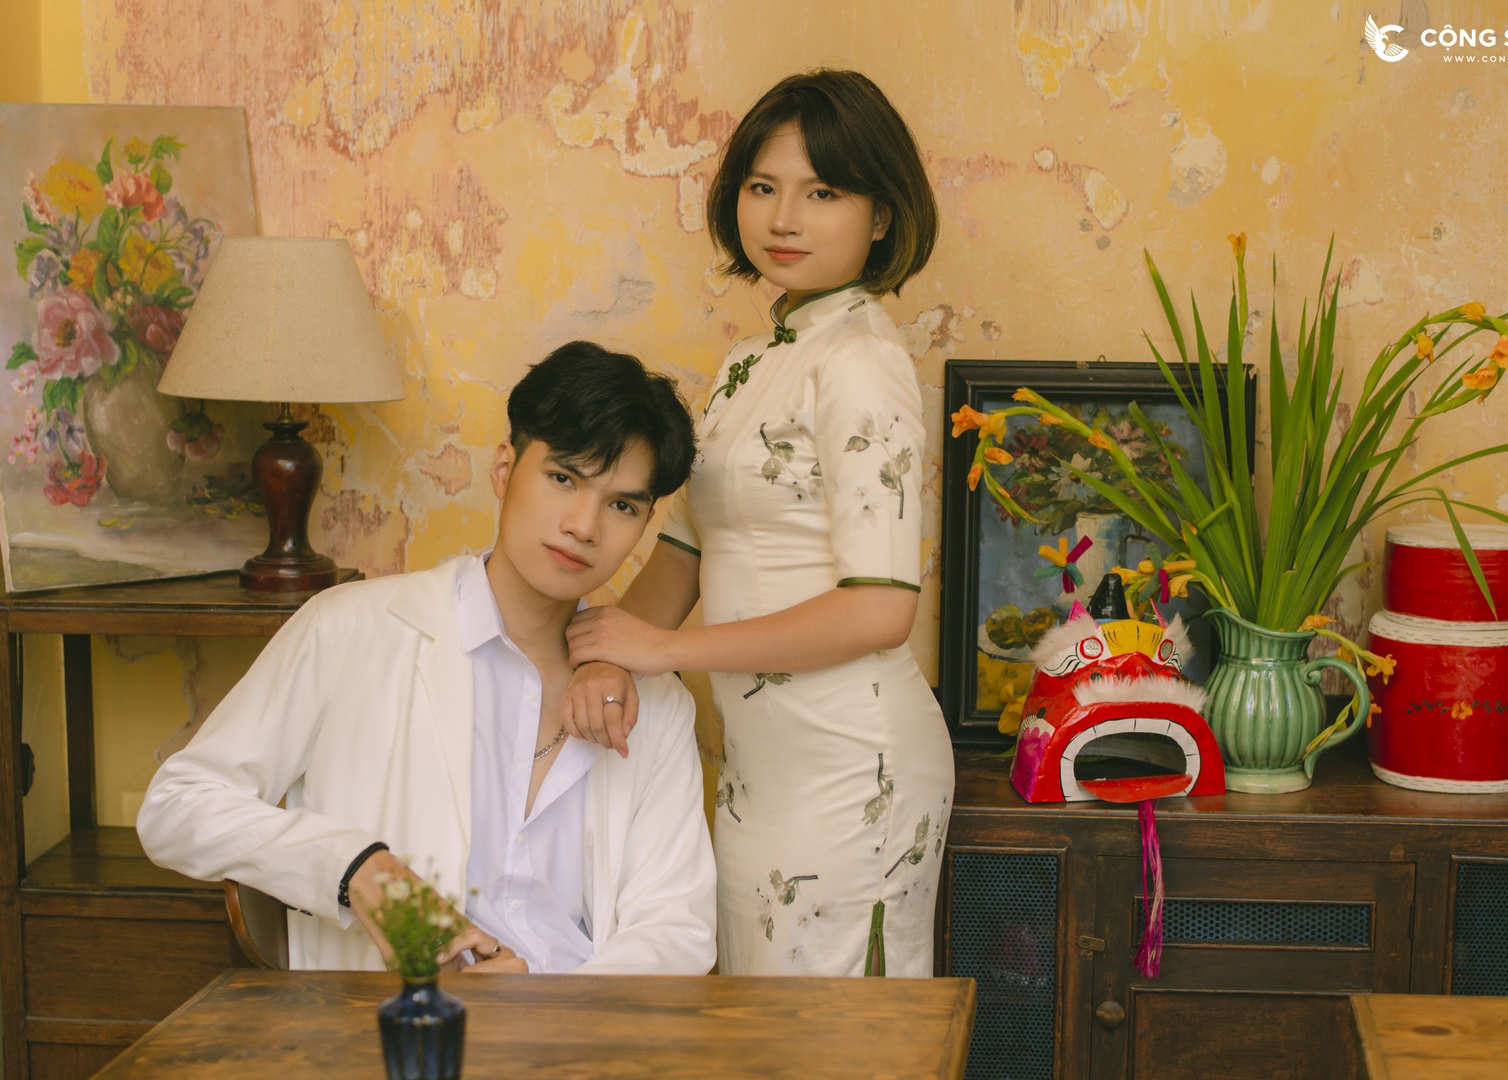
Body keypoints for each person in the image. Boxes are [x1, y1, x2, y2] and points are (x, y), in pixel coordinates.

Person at [137, 342, 716, 975]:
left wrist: (554, 1004)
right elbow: (177, 806)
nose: (584, 526)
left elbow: (677, 930)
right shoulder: (349, 629)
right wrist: (358, 869)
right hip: (385, 1023)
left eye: (622, 505)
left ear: (644, 524)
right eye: (562, 479)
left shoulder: (655, 702)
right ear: (504, 470)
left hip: (582, 1027)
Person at [562, 70, 953, 978]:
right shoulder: (748, 364)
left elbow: (880, 611)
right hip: (758, 777)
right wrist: (608, 653)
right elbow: (686, 550)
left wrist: (665, 652)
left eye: (823, 193)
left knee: (832, 1037)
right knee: (759, 1029)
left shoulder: (859, 362)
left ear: (881, 214)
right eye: (763, 186)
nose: (784, 219)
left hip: (853, 769)